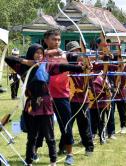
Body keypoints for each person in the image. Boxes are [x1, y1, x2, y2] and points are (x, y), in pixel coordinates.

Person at [5, 44, 86, 166]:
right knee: (31, 137)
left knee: (50, 136)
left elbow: (62, 66)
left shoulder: (47, 66)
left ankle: (53, 162)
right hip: (32, 105)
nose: (39, 55)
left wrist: (81, 68)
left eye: (41, 53)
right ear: (31, 54)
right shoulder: (22, 67)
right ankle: (29, 162)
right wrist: (27, 62)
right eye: (36, 53)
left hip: (46, 105)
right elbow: (8, 59)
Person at [44, 29, 74, 165]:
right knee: (41, 126)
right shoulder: (41, 54)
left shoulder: (65, 55)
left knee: (66, 125)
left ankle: (69, 154)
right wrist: (50, 53)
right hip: (44, 95)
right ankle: (33, 153)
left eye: (58, 40)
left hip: (62, 95)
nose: (57, 42)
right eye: (53, 39)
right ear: (46, 40)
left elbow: (79, 60)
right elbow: (35, 57)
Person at [66, 41, 94, 156]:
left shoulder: (85, 64)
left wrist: (88, 62)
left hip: (83, 100)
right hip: (70, 99)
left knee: (84, 125)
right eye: (74, 51)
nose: (76, 53)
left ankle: (89, 148)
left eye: (78, 50)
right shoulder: (67, 63)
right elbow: (70, 57)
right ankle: (63, 147)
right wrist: (83, 55)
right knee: (67, 125)